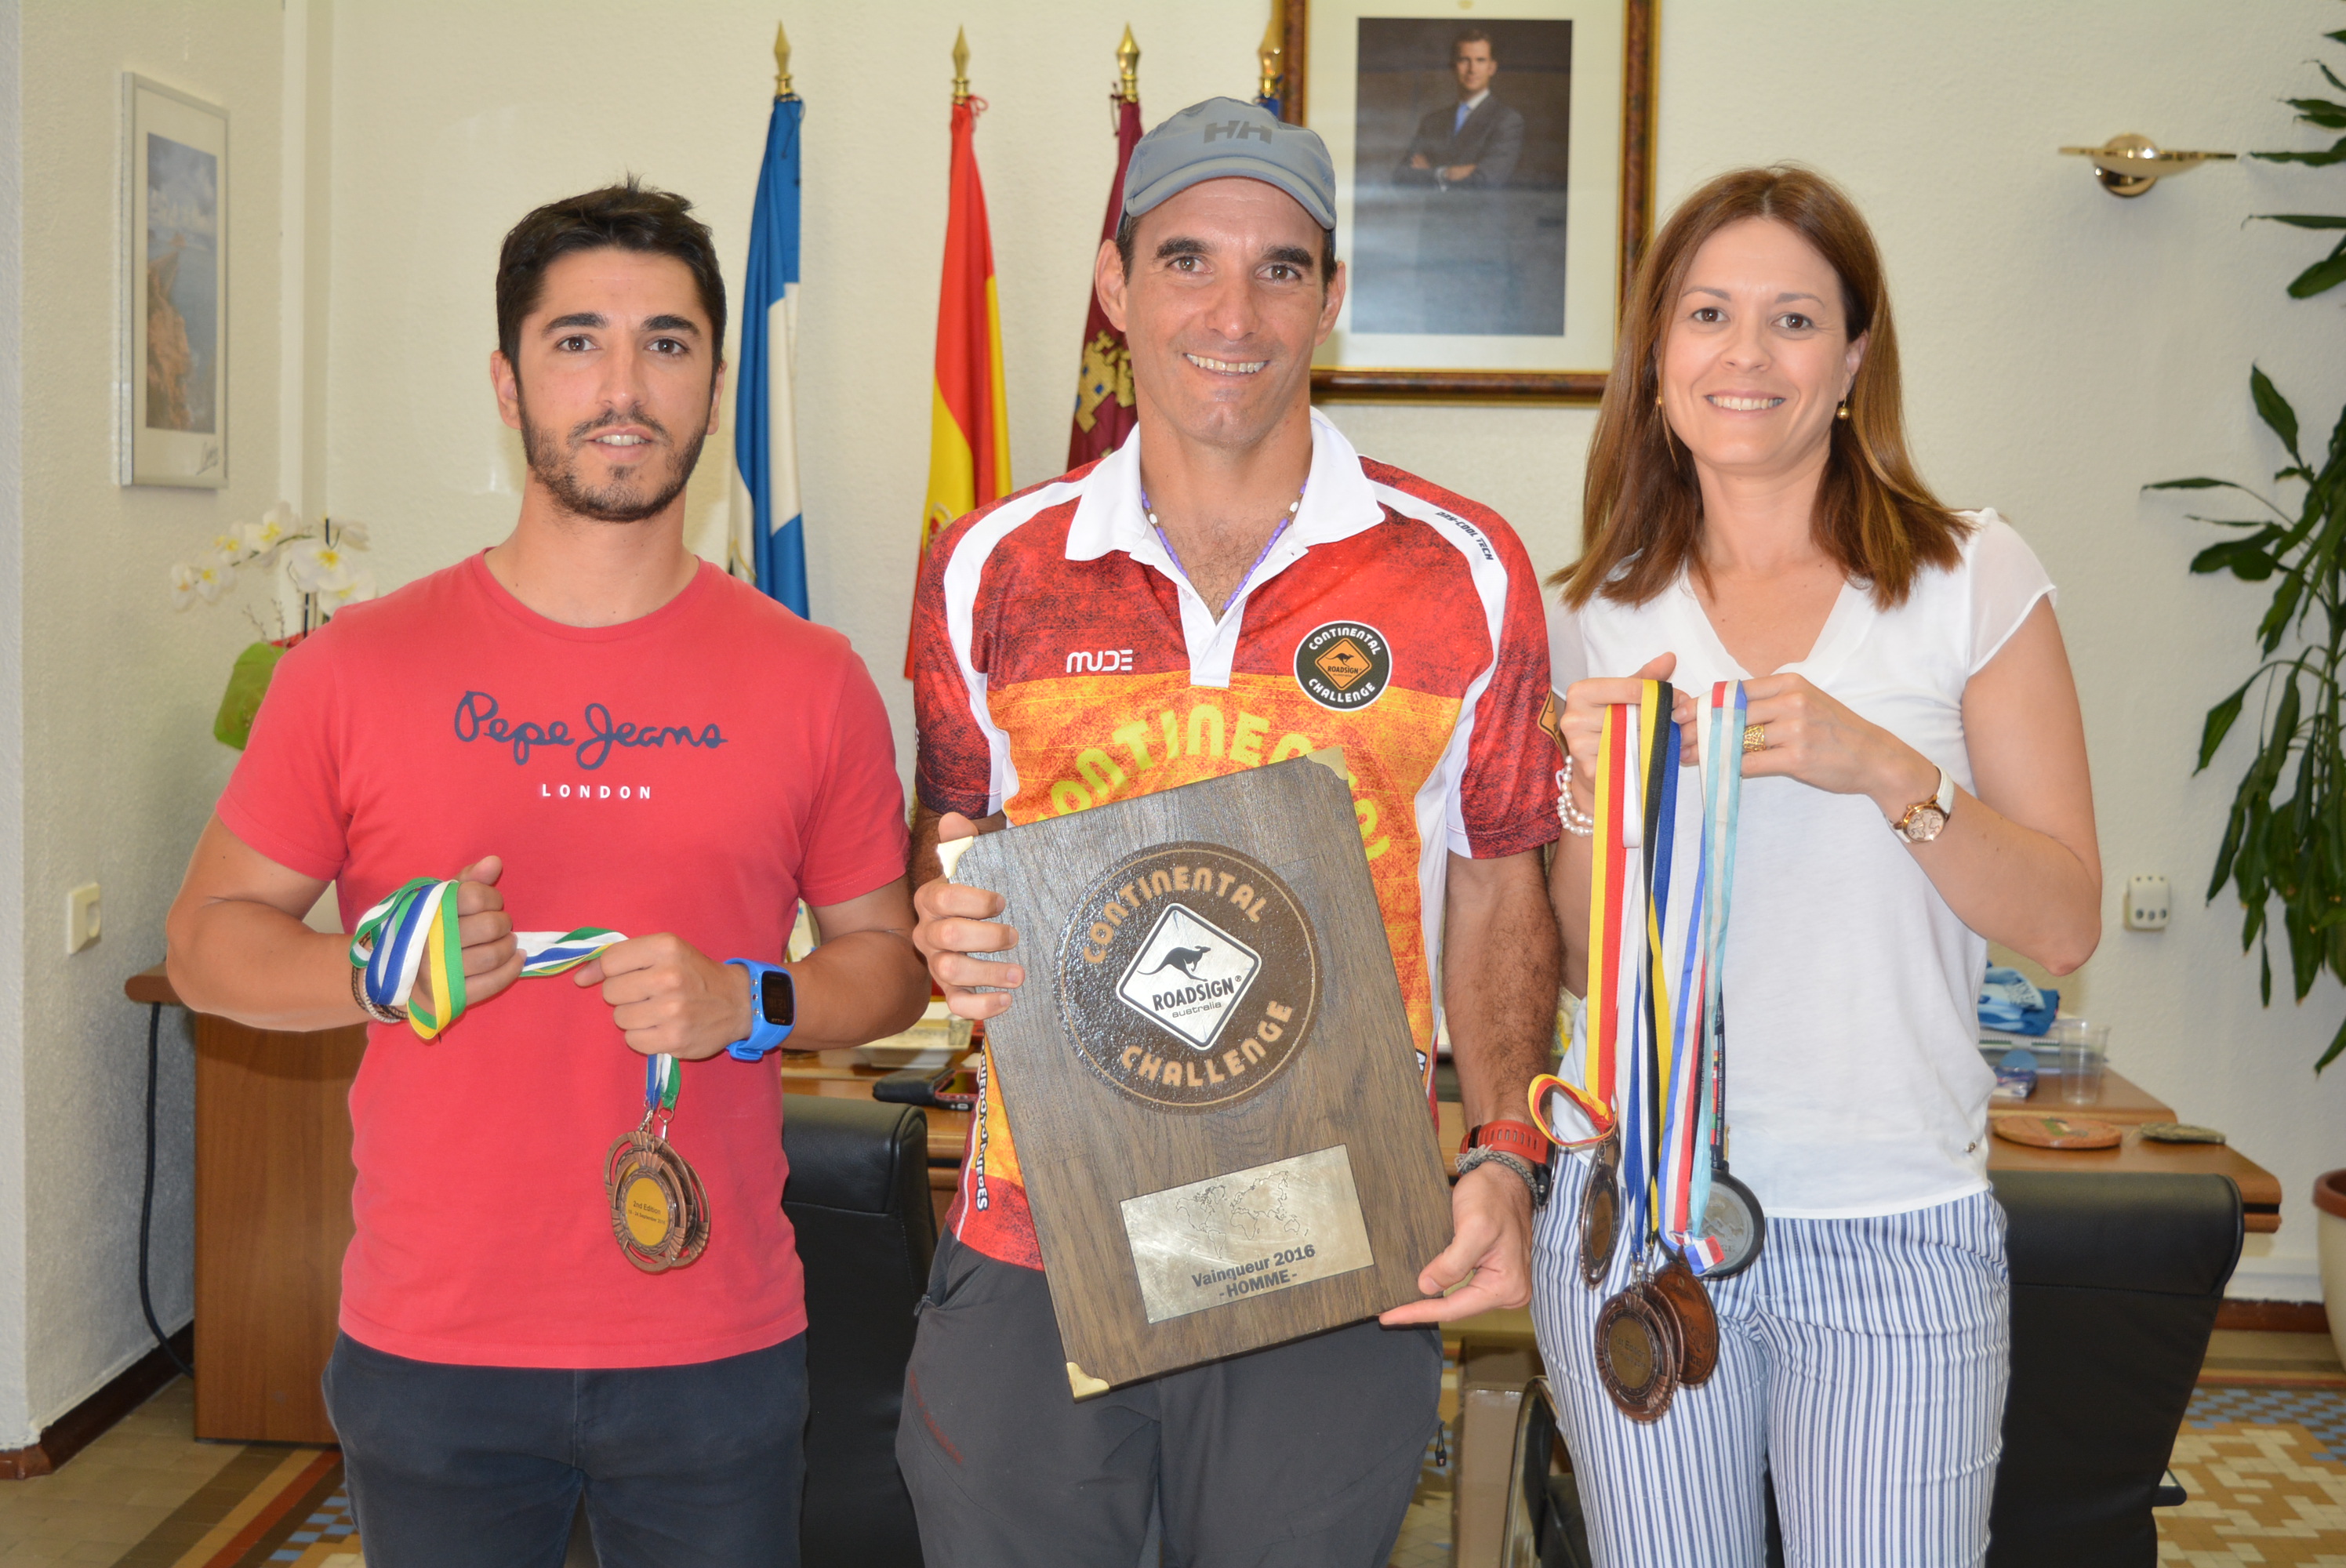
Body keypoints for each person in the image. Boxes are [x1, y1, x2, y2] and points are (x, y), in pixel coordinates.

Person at [162, 180, 929, 1568]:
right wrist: (375, 971)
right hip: (433, 1341)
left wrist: (749, 1002)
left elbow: (886, 964)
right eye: (577, 341)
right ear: (507, 382)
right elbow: (212, 945)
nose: (623, 385)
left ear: (712, 386)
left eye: (668, 344)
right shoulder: (353, 670)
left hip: (713, 1341)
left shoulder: (811, 680)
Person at [899, 96, 1561, 1568]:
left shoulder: (1459, 569)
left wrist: (1506, 1148)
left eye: (1280, 269)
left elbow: (1499, 884)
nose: (1231, 311)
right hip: (1038, 1233)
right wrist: (945, 918)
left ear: (1331, 298)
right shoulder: (989, 568)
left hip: (1327, 1244)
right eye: (1186, 258)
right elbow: (951, 842)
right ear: (1111, 285)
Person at [1540, 164, 2101, 1564]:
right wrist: (1573, 803)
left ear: (1852, 358)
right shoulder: (1589, 618)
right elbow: (1564, 956)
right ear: (1655, 357)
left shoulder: (1970, 575)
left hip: (1892, 1225)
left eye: (1793, 320)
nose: (1744, 354)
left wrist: (1886, 771)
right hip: (1634, 1223)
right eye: (1707, 313)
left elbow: (2066, 919)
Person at [1394, 29, 1523, 333]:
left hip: (1482, 257)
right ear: (1454, 65)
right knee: (1435, 341)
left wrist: (1430, 172)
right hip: (1435, 253)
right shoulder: (1434, 121)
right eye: (1464, 59)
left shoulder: (1507, 120)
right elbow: (1401, 176)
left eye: (1480, 60)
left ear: (1492, 67)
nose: (1472, 68)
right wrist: (1447, 173)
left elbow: (1487, 178)